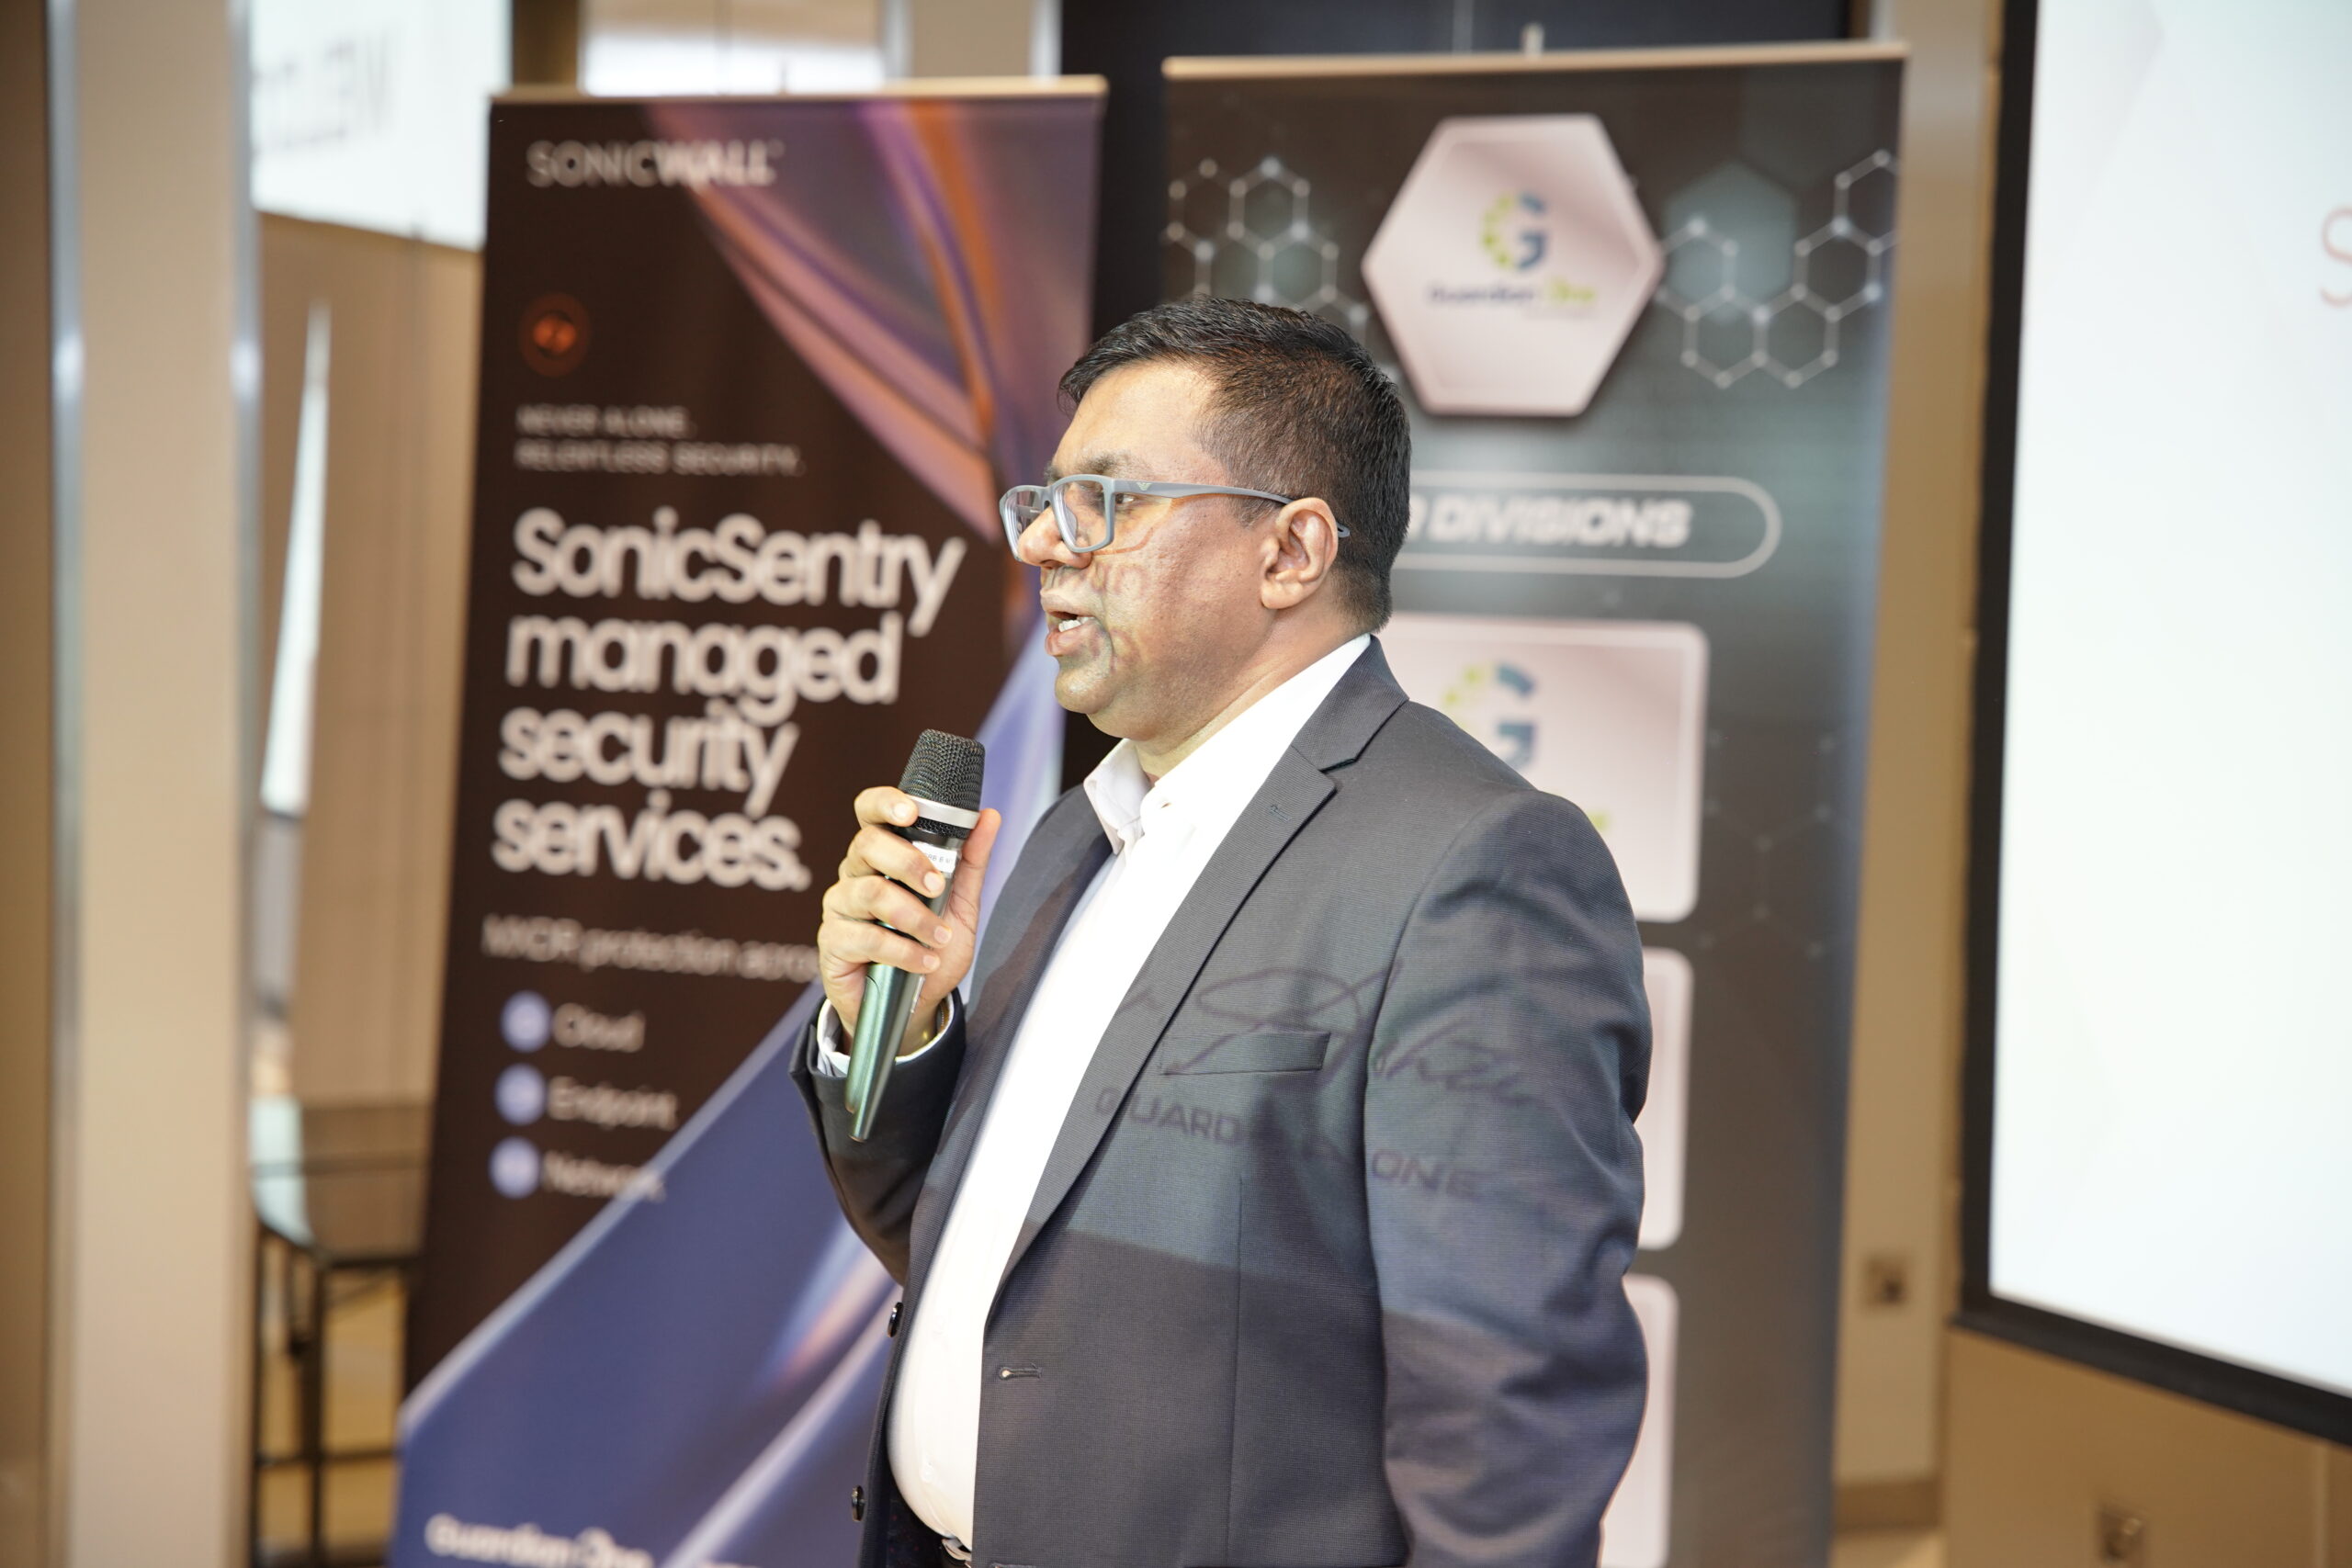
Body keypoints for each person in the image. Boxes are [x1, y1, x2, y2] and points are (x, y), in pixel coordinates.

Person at [793, 297, 1650, 1568]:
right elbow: (968, 1243)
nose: (1047, 545)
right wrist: (901, 1025)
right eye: (1045, 501)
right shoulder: (1073, 835)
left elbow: (1507, 1418)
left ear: (1291, 551)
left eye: (1106, 502)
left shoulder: (1474, 867)